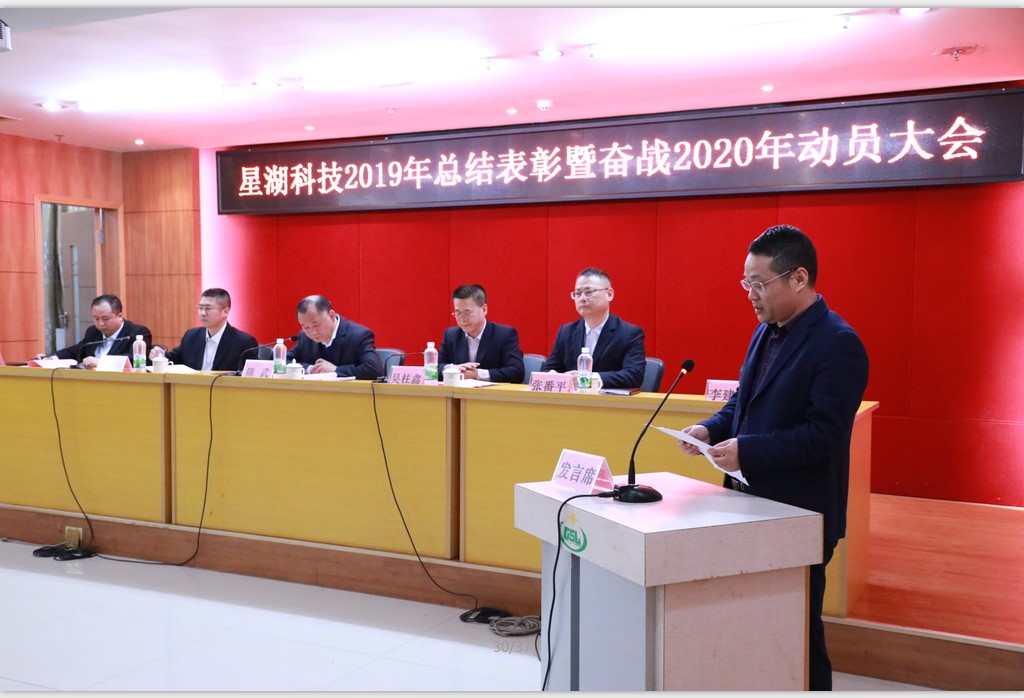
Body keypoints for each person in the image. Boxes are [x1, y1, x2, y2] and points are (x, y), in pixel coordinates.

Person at [677, 224, 869, 691]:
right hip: (746, 503)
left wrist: (748, 450)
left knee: (798, 632)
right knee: (749, 623)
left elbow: (823, 435)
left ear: (799, 278)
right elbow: (743, 403)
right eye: (746, 283)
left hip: (798, 511)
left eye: (759, 284)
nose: (750, 294)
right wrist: (710, 428)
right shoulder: (765, 331)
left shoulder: (838, 342)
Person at [541, 267, 646, 390]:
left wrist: (590, 379)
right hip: (571, 400)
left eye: (589, 292)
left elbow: (634, 375)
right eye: (578, 293)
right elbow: (549, 369)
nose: (582, 298)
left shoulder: (629, 333)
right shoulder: (566, 331)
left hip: (607, 400)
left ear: (609, 294)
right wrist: (551, 375)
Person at [150, 288, 257, 372]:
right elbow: (175, 360)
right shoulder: (191, 336)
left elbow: (250, 377)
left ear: (225, 312)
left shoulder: (243, 342)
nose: (202, 313)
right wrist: (160, 356)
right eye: (200, 308)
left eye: (208, 308)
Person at [438, 284, 524, 383]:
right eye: (458, 313)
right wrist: (452, 369)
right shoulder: (451, 335)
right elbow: (433, 367)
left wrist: (477, 374)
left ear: (484, 310)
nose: (462, 319)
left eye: (467, 312)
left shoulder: (504, 334)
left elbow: (517, 372)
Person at [42, 294, 152, 369]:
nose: (100, 324)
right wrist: (51, 358)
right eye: (96, 318)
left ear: (120, 316)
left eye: (105, 319)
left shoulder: (138, 333)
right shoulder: (93, 331)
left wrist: (99, 362)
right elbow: (76, 350)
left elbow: (133, 360)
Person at [288, 295, 383, 379]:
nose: (313, 332)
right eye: (306, 327)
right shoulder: (305, 337)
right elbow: (283, 362)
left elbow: (374, 369)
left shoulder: (358, 335)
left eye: (316, 325)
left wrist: (335, 370)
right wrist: (310, 369)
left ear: (331, 316)